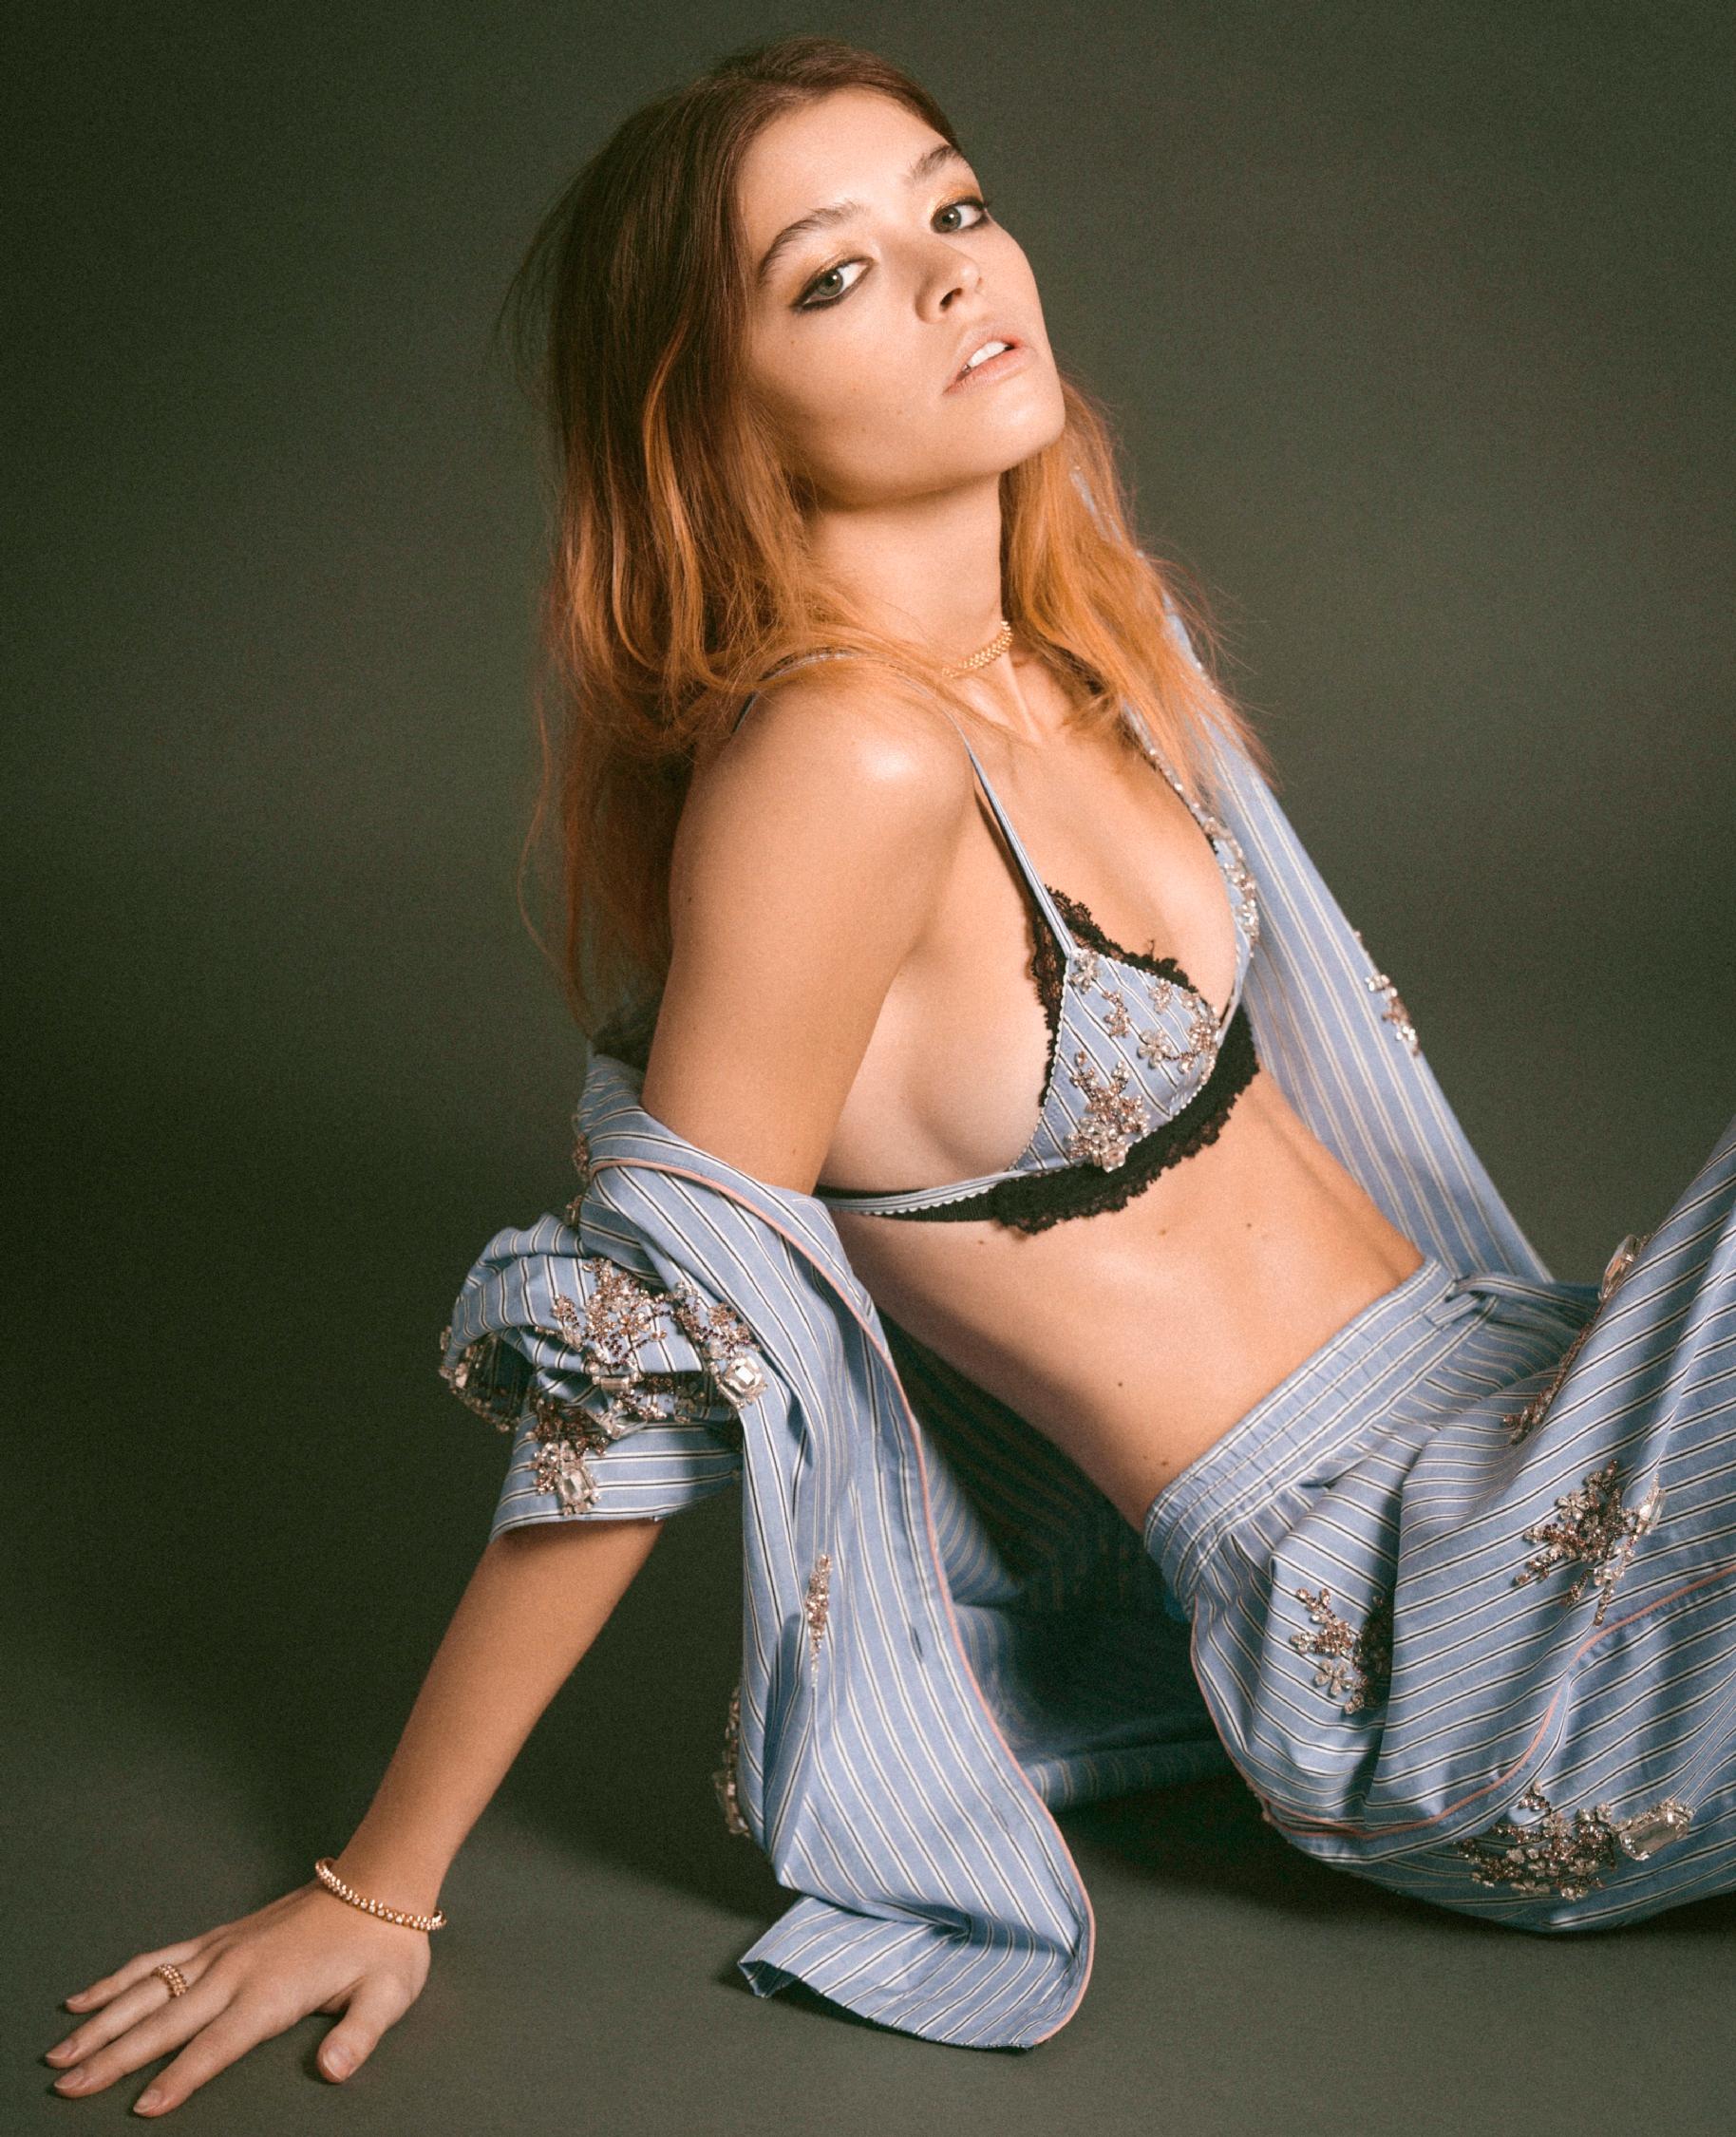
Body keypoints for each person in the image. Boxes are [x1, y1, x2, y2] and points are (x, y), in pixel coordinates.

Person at [44, 31, 1736, 2113]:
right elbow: (665, 1325)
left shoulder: (1082, 648)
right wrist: (376, 1882)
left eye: (955, 207)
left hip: (1533, 1416)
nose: (952, 274)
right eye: (832, 275)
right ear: (710, 412)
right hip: (1425, 1637)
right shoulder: (839, 763)